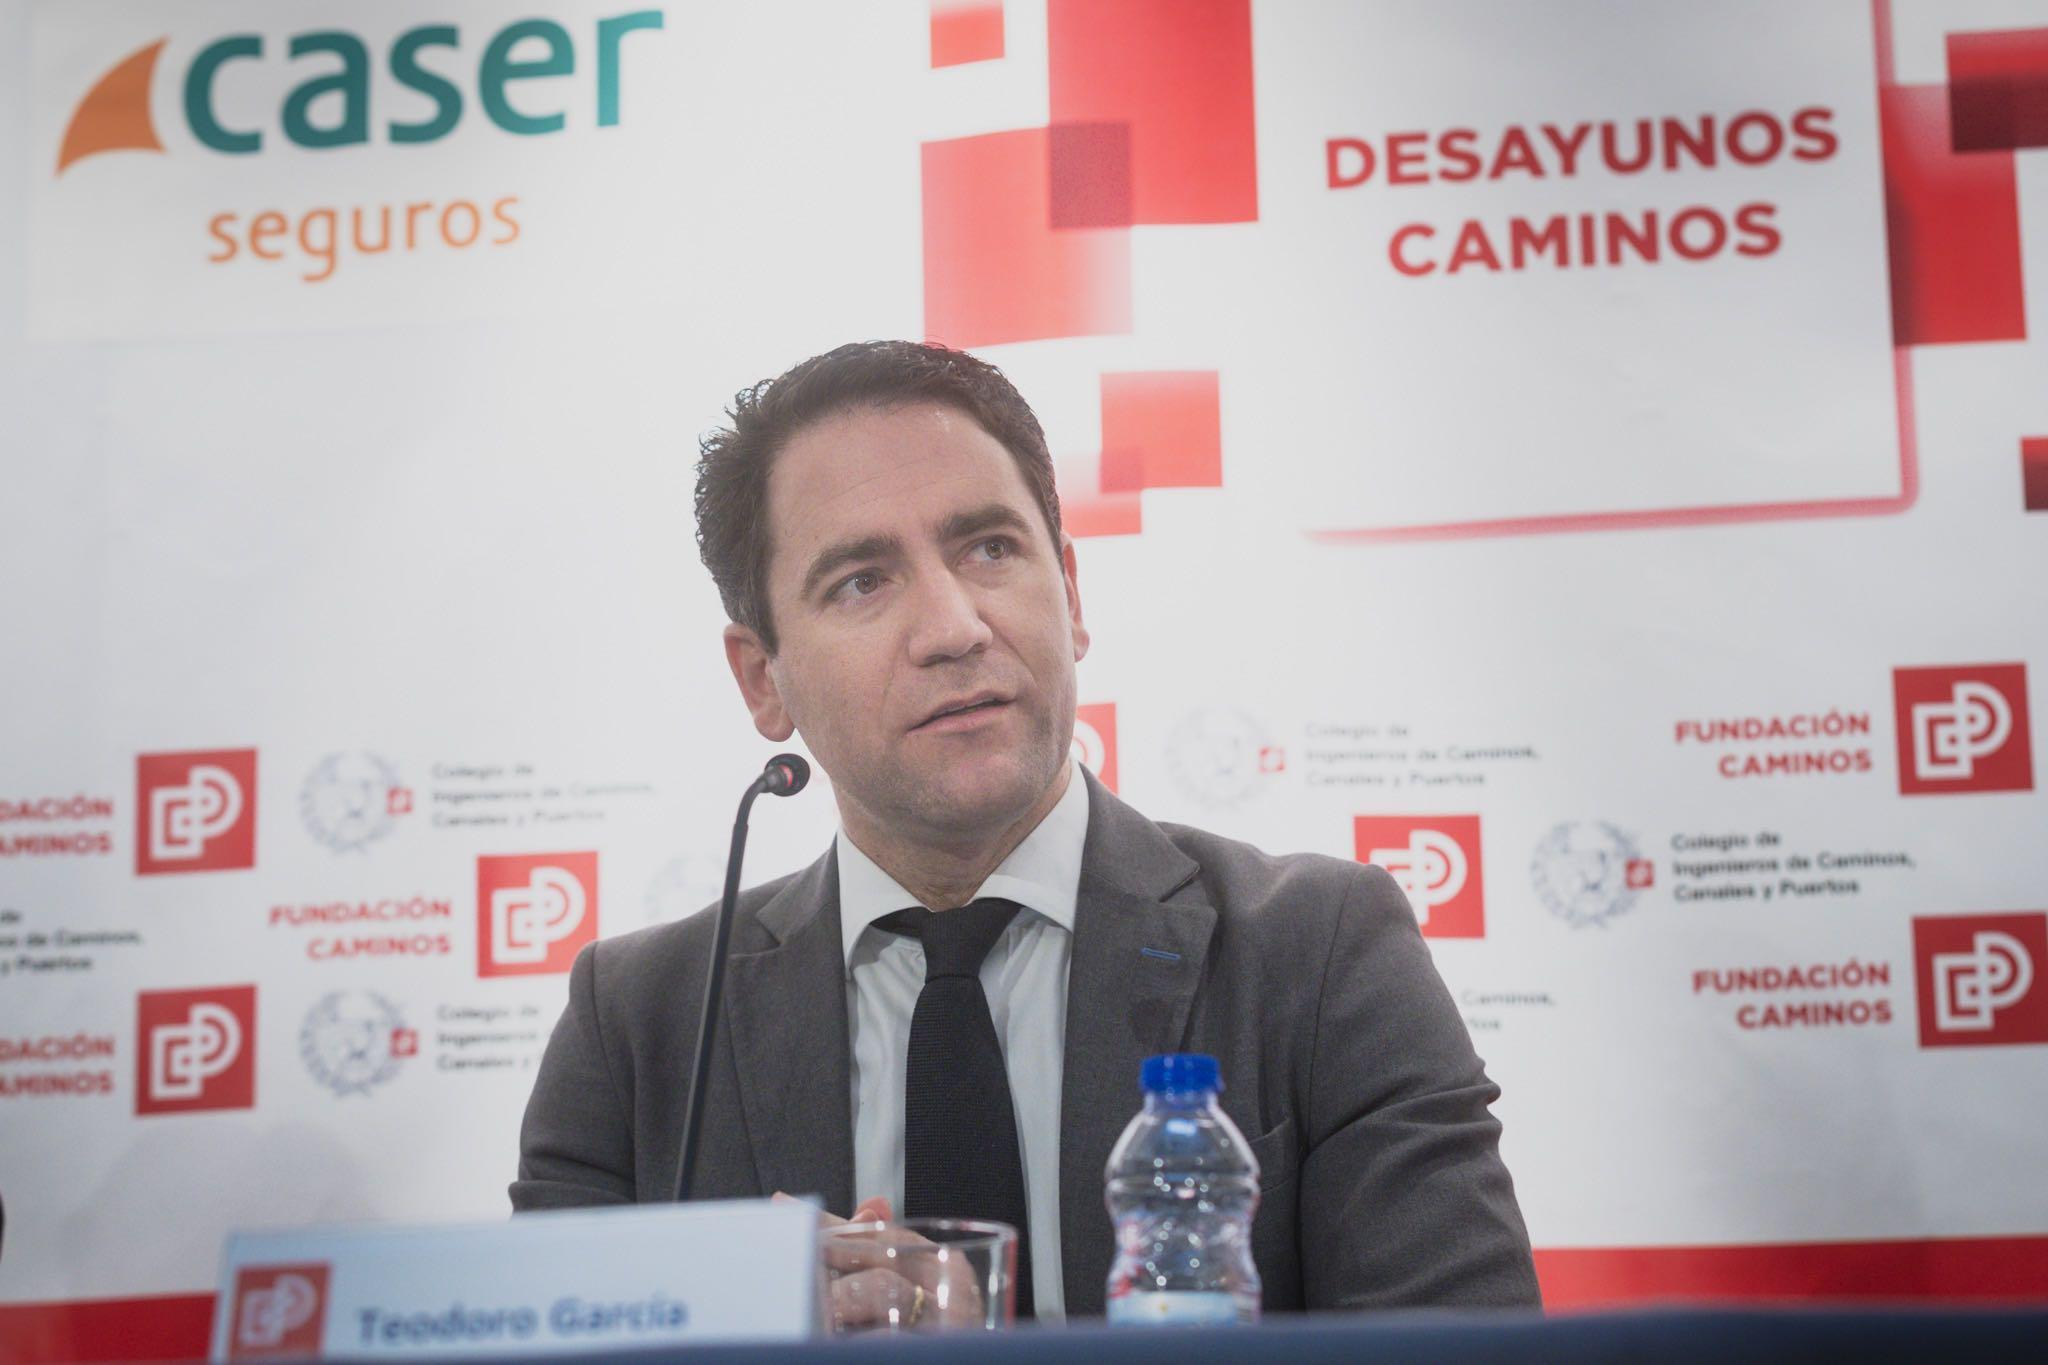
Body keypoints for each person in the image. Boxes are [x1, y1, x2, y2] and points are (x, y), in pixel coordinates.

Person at [511, 341, 1542, 1319]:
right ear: (760, 679)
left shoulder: (1317, 953)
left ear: (1072, 594)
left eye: (990, 548)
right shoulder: (639, 1026)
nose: (954, 628)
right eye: (862, 580)